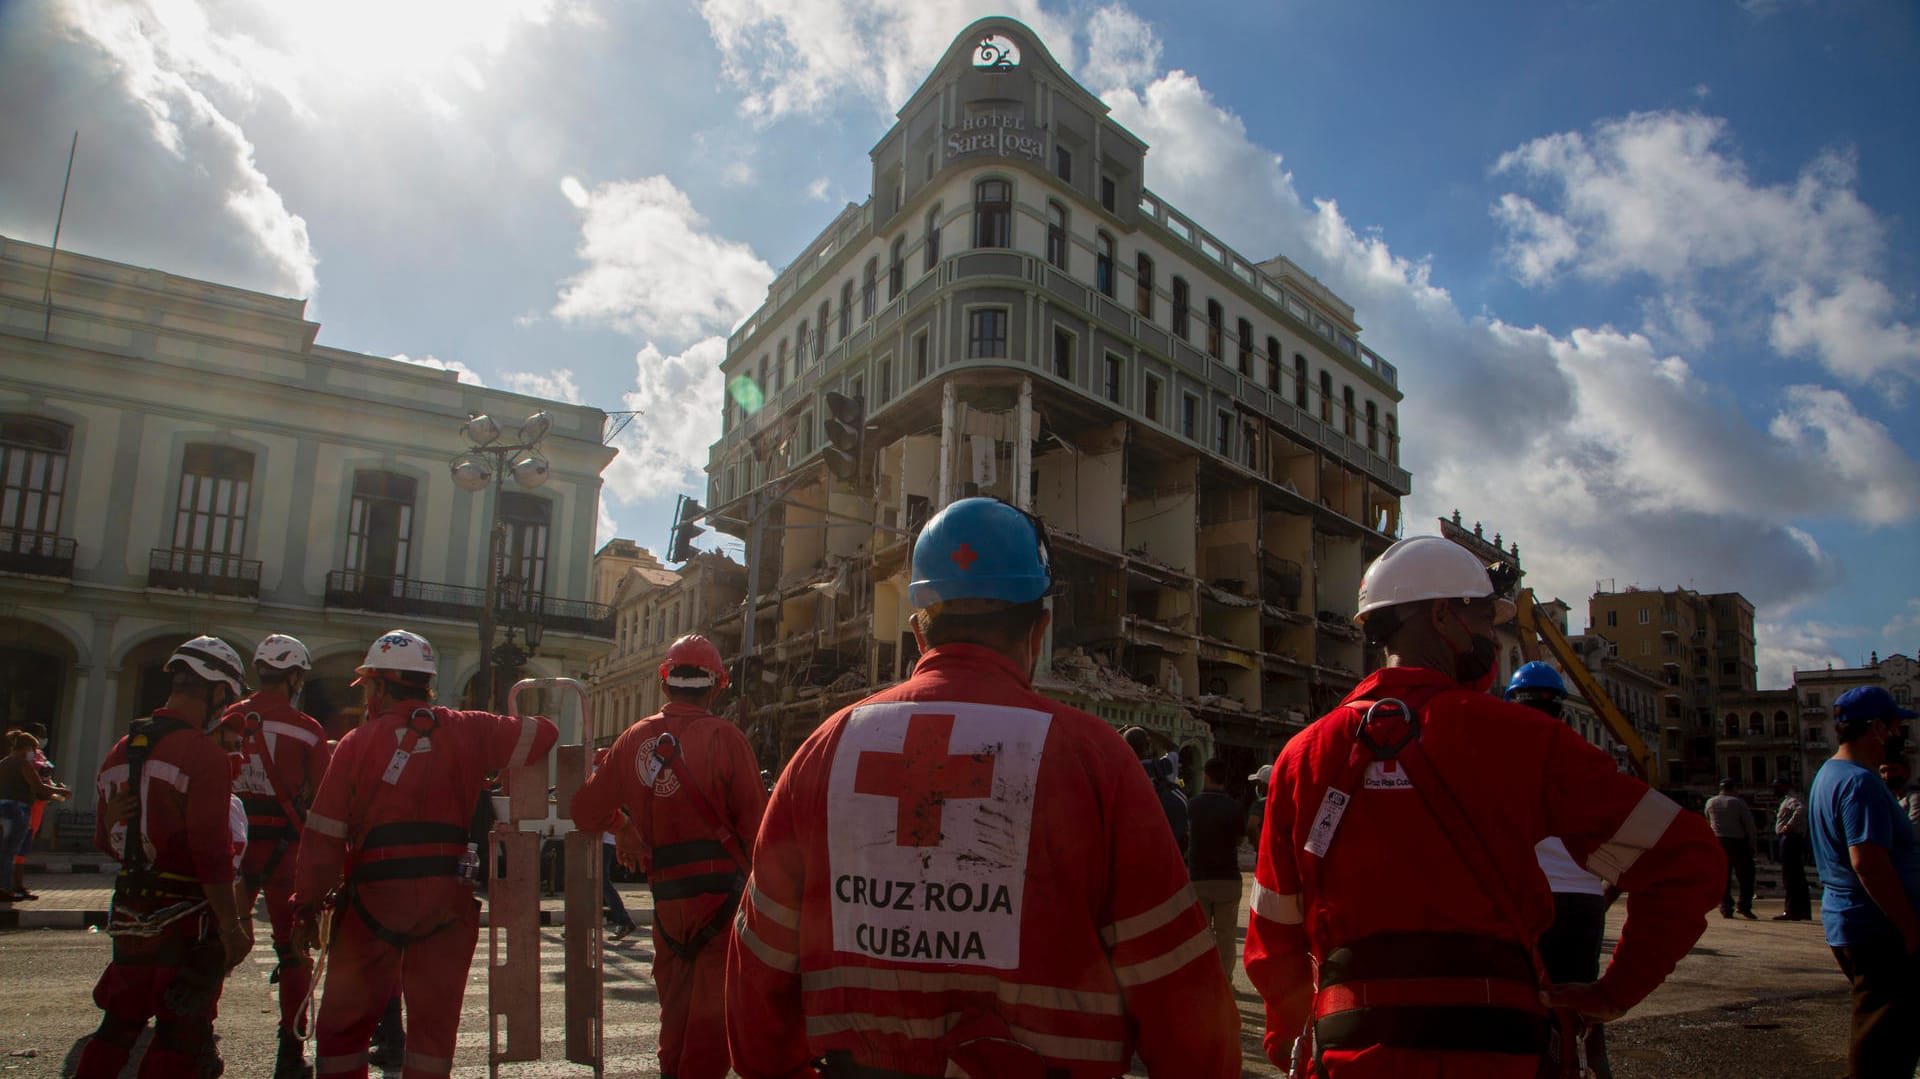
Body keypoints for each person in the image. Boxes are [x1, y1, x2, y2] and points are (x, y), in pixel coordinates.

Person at [728, 497, 1240, 1078]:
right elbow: (1182, 996)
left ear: (919, 628)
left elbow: (758, 974)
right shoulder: (1097, 760)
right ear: (1038, 630)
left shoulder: (822, 752)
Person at [1243, 535, 1723, 1077]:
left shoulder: (1301, 758)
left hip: (1351, 1054)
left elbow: (1272, 935)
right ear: (1443, 617)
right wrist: (1615, 992)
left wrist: (1292, 1042)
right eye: (1483, 622)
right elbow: (1687, 859)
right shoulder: (1525, 740)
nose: (1490, 640)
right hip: (1502, 1052)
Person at [289, 629, 557, 1079]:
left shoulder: (357, 744)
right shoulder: (468, 728)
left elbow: (323, 837)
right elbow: (543, 735)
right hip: (446, 903)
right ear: (425, 684)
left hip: (373, 901)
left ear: (377, 686)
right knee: (432, 1035)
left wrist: (306, 907)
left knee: (343, 1031)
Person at [570, 634, 765, 1079]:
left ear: (664, 684)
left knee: (674, 1016)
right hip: (723, 901)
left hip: (667, 903)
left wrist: (625, 829)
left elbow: (584, 810)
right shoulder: (726, 738)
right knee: (710, 1027)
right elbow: (758, 833)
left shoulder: (633, 737)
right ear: (716, 686)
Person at [76, 636, 256, 1079]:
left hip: (130, 913)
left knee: (117, 1028)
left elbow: (104, 839)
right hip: (186, 922)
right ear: (216, 691)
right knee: (178, 1038)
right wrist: (232, 926)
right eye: (227, 699)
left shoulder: (123, 748)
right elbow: (211, 852)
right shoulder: (204, 756)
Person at [220, 633, 331, 1079]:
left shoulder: (225, 718)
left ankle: (197, 1031)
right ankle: (291, 1046)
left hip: (230, 848)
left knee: (219, 940)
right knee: (292, 951)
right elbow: (323, 798)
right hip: (286, 849)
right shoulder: (307, 729)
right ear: (296, 677)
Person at [1507, 661, 1614, 1079]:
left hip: (1530, 899)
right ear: (1561, 709)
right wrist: (1605, 893)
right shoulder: (1589, 759)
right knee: (1583, 1003)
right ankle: (1593, 1069)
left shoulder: (1500, 761)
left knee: (1528, 1005)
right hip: (1585, 902)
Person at [1809, 685, 1920, 1077]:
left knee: (1883, 1038)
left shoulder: (1828, 774)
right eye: (1894, 726)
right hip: (1878, 930)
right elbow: (1867, 862)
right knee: (1883, 1051)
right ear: (1876, 728)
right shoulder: (1861, 783)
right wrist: (1910, 927)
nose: (1897, 735)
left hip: (1851, 923)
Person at [1187, 757, 1246, 978]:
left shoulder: (1192, 805)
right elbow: (1240, 839)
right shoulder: (1234, 807)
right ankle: (1224, 982)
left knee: (1199, 935)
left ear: (1206, 775)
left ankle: (1202, 980)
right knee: (1226, 935)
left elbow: (1186, 836)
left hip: (1198, 879)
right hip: (1228, 879)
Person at [8, 721, 71, 898]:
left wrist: (53, 788)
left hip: (36, 805)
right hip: (25, 805)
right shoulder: (22, 760)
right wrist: (58, 791)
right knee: (17, 846)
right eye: (42, 734)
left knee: (23, 845)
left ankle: (16, 885)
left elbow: (42, 781)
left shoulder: (36, 755)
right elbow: (36, 784)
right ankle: (13, 886)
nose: (45, 738)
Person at [1123, 725, 1189, 853]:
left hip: (1137, 839)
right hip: (1166, 837)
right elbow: (1173, 748)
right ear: (1148, 746)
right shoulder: (1163, 767)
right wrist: (1147, 729)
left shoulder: (1122, 772)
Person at [1706, 778, 1759, 919]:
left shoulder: (1710, 802)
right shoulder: (1737, 803)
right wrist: (1753, 845)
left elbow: (1707, 821)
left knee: (1724, 876)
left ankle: (1725, 906)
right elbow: (1749, 826)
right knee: (1746, 876)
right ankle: (1744, 905)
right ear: (1733, 788)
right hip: (1738, 842)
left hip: (1718, 841)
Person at [1772, 778, 1813, 922]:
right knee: (1797, 876)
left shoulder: (1791, 799)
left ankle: (1791, 910)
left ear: (1784, 787)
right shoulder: (1789, 799)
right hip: (1793, 838)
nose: (1775, 790)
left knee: (1790, 876)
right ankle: (1802, 911)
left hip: (1789, 839)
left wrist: (1788, 825)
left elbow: (1801, 809)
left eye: (1777, 787)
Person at [1876, 758, 1920, 840]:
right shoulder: (1886, 798)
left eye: (1893, 770)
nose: (1887, 775)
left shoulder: (1915, 796)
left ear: (1906, 772)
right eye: (1883, 771)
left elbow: (1912, 832)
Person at [1247, 763, 1272, 844]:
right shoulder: (1287, 802)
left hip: (1266, 851)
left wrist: (1258, 846)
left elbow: (1252, 826)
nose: (1257, 786)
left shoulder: (1260, 804)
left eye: (1259, 783)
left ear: (1264, 784)